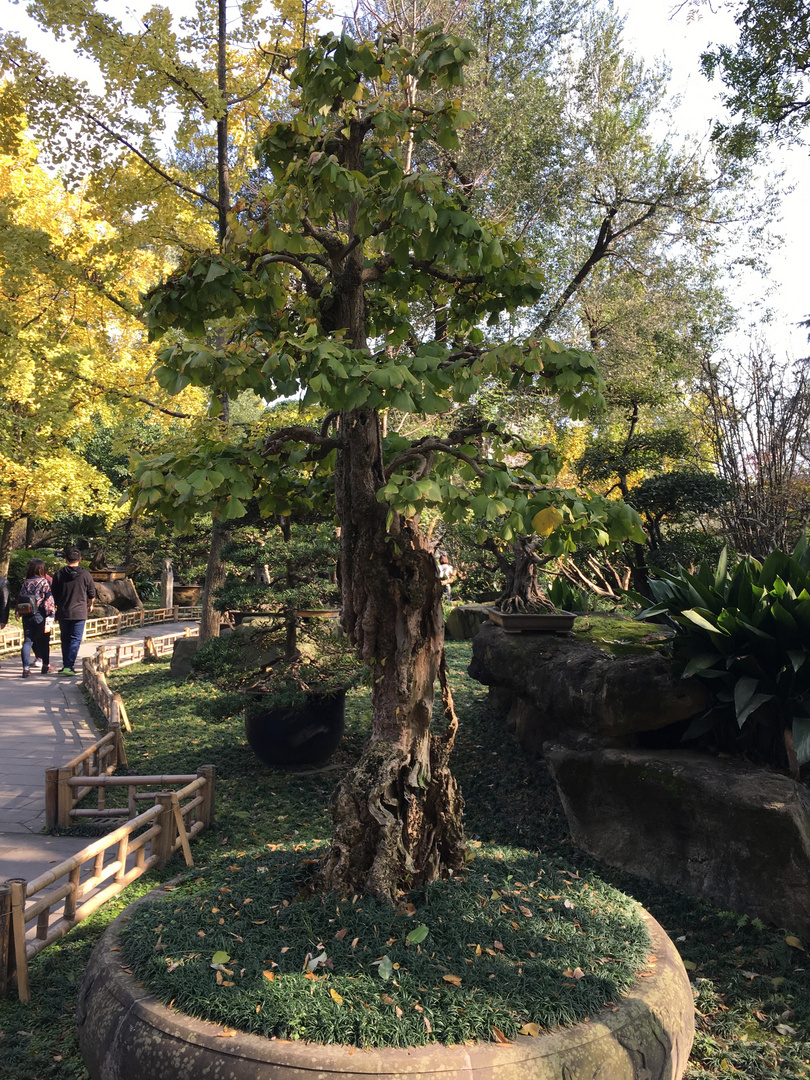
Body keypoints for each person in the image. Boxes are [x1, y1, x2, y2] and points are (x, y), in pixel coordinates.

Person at [51, 547, 96, 676]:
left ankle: (66, 665)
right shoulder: (85, 574)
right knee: (75, 639)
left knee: (65, 639)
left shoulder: (59, 574)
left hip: (63, 611)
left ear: (66, 559)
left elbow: (53, 593)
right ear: (80, 559)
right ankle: (69, 666)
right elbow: (92, 593)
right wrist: (90, 604)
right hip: (80, 611)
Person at [18, 558, 56, 677]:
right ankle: (45, 666)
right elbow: (48, 600)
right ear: (41, 569)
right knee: (44, 641)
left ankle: (26, 668)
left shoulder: (26, 582)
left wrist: (18, 612)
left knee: (28, 641)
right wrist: (51, 614)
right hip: (41, 615)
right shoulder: (44, 582)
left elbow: (21, 598)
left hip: (27, 615)